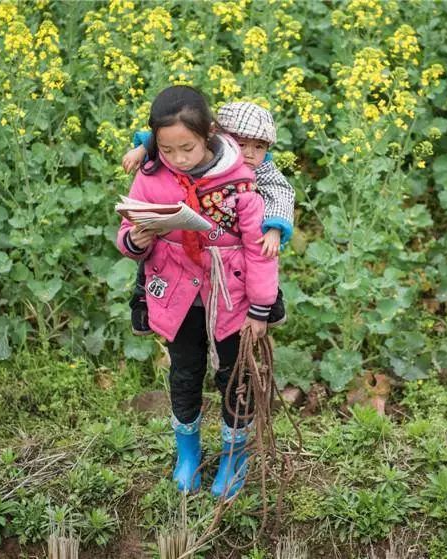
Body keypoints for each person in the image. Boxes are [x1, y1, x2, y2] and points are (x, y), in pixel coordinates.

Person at [116, 85, 277, 499]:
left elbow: (259, 252)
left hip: (231, 296)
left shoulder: (241, 181)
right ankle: (187, 452)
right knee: (184, 371)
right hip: (177, 295)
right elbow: (126, 235)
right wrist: (137, 235)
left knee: (234, 375)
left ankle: (234, 454)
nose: (178, 159)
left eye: (186, 148)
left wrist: (259, 310)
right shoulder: (151, 176)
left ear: (208, 133)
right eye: (167, 151)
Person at [122, 102, 294, 336]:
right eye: (241, 144)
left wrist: (274, 227)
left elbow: (281, 194)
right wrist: (142, 150)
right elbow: (169, 135)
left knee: (260, 254)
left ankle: (269, 302)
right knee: (161, 244)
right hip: (185, 249)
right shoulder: (196, 156)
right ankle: (143, 296)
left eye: (259, 147)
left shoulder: (262, 169)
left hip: (244, 237)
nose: (249, 154)